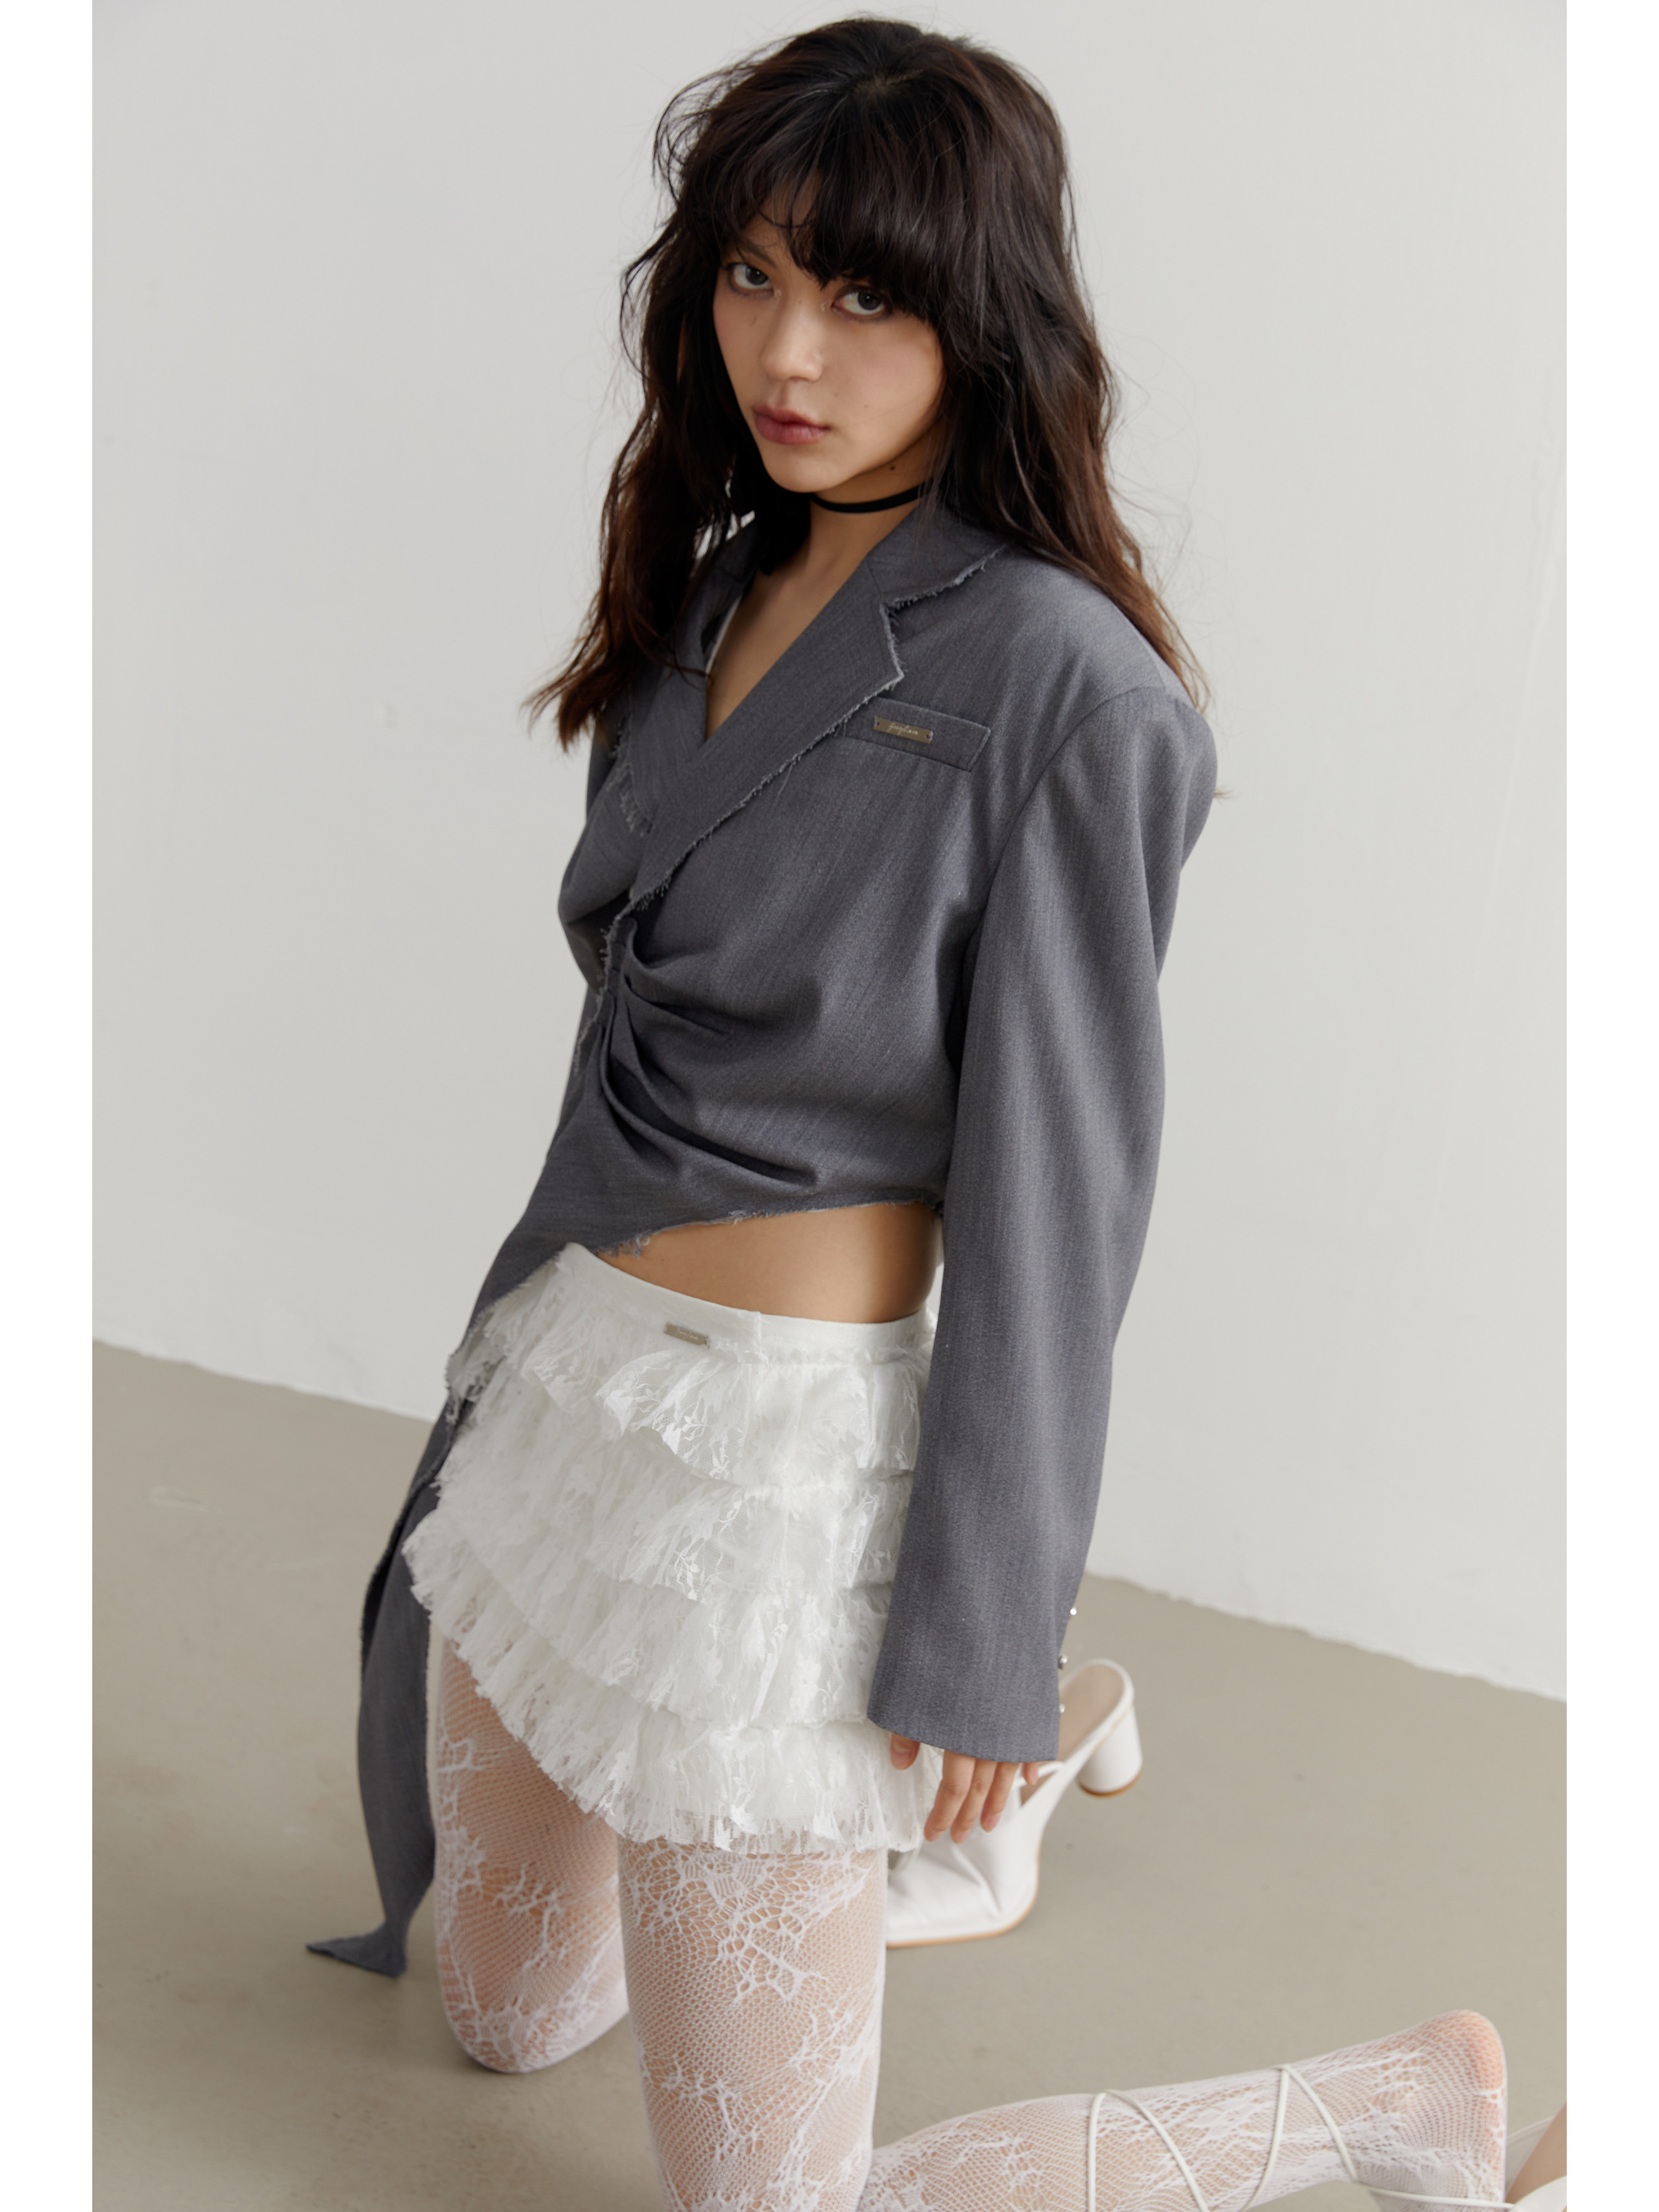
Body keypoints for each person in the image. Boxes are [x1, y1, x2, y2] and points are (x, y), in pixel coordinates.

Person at [307, 20, 1528, 2209]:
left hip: (786, 1479)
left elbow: (1062, 1204)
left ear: (988, 313)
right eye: (755, 275)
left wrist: (974, 1635)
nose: (793, 351)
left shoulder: (1071, 691)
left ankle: (1384, 2107)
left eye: (869, 294)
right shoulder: (719, 579)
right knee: (495, 2011)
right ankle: (870, 1854)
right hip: (575, 1389)